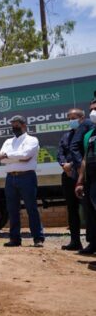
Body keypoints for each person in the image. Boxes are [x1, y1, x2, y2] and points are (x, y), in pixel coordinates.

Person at [0, 115, 44, 247]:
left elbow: (26, 156)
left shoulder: (32, 140)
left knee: (31, 208)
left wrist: (9, 156)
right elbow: (1, 158)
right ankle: (15, 239)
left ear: (24, 125)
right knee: (12, 210)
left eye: (16, 124)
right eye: (12, 125)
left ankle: (38, 238)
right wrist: (14, 156)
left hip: (27, 177)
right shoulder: (8, 141)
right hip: (10, 178)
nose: (14, 127)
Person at [59, 109, 85, 251]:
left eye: (74, 117)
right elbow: (60, 153)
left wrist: (73, 165)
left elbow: (84, 154)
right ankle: (75, 241)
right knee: (72, 209)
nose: (71, 120)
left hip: (83, 175)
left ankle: (92, 241)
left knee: (88, 209)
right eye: (69, 118)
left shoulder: (87, 134)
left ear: (82, 118)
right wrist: (64, 165)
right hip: (68, 176)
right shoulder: (66, 136)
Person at [74, 100, 96, 255]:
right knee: (92, 213)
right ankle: (94, 244)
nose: (93, 112)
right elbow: (84, 159)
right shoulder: (89, 134)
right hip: (91, 180)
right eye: (91, 109)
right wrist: (80, 181)